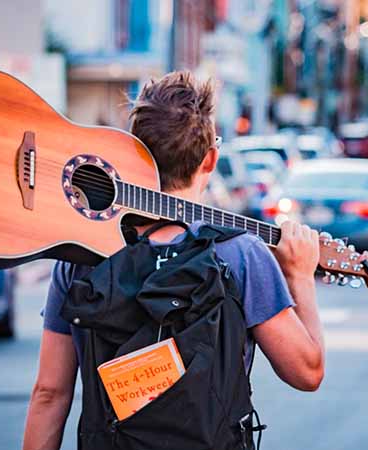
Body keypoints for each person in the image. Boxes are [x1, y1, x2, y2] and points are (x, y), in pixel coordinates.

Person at [22, 71, 324, 450]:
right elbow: (307, 372)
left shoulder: (80, 255)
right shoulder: (240, 255)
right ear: (210, 160)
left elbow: (50, 393)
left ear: (130, 150)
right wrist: (300, 277)